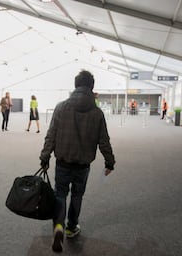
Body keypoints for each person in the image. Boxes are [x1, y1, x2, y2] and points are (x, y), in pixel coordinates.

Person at [39, 70, 115, 253]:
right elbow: (104, 141)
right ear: (91, 87)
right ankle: (72, 227)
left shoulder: (60, 107)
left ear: (75, 86)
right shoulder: (97, 113)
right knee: (77, 195)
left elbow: (51, 135)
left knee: (60, 194)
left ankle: (58, 226)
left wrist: (45, 156)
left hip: (63, 163)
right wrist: (109, 162)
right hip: (83, 165)